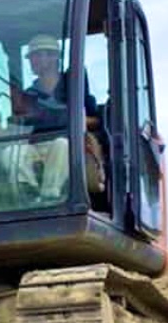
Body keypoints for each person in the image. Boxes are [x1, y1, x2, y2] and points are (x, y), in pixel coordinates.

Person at [6, 34, 105, 201]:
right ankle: (28, 194)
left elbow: (94, 120)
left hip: (68, 145)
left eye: (37, 56)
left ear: (53, 57)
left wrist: (72, 119)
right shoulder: (30, 94)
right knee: (11, 153)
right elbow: (23, 121)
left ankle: (50, 196)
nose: (32, 61)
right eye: (31, 57)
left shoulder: (73, 86)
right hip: (36, 146)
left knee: (62, 145)